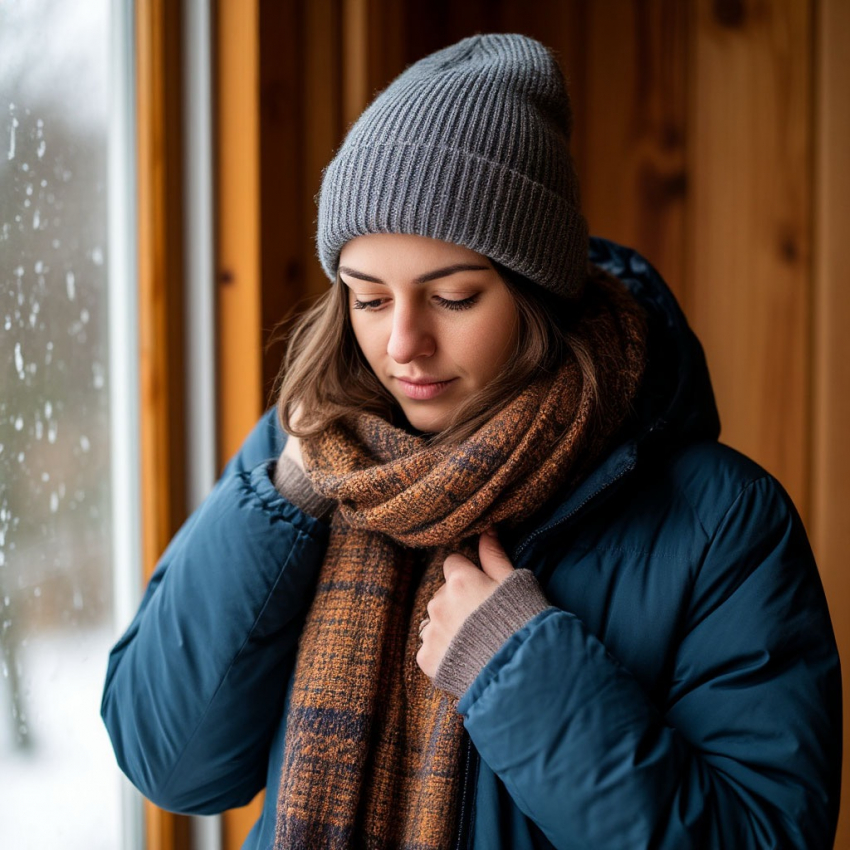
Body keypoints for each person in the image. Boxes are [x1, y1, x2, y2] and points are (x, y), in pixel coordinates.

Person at [101, 33, 842, 850]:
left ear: (539, 293)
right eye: (369, 299)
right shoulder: (309, 457)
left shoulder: (722, 521)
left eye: (452, 297)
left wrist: (520, 670)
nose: (402, 345)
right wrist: (279, 502)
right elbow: (168, 764)